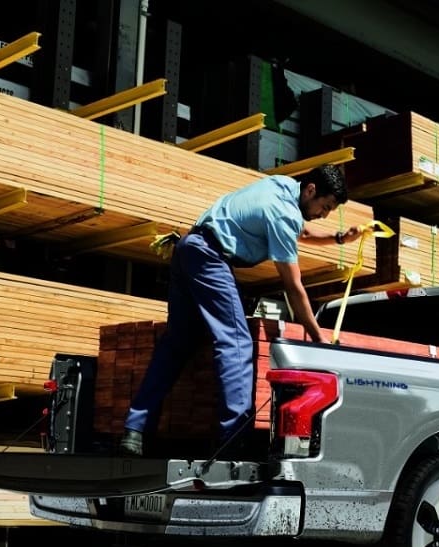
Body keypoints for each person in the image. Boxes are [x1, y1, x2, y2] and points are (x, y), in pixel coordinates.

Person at [118, 164, 358, 456]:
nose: (325, 214)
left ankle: (135, 429)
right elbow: (293, 287)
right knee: (236, 342)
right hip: (210, 257)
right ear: (310, 190)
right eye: (326, 207)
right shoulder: (283, 214)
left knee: (177, 343)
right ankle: (233, 439)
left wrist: (339, 238)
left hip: (189, 249)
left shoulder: (281, 185)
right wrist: (318, 337)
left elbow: (301, 230)